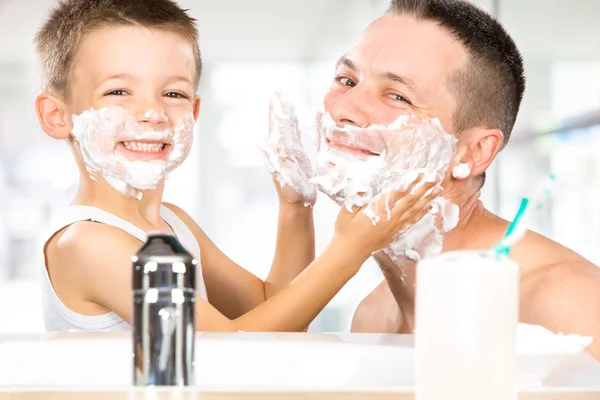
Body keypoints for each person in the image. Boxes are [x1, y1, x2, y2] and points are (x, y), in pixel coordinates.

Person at [33, 0, 440, 332]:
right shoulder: (88, 244)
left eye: (173, 93)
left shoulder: (172, 224)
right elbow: (230, 353)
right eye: (118, 91)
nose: (153, 112)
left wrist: (296, 207)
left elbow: (275, 309)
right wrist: (351, 248)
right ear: (57, 116)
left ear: (194, 111)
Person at [289, 0, 600, 358]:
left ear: (474, 152)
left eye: (398, 96)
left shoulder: (566, 306)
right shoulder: (373, 315)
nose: (343, 110)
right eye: (347, 80)